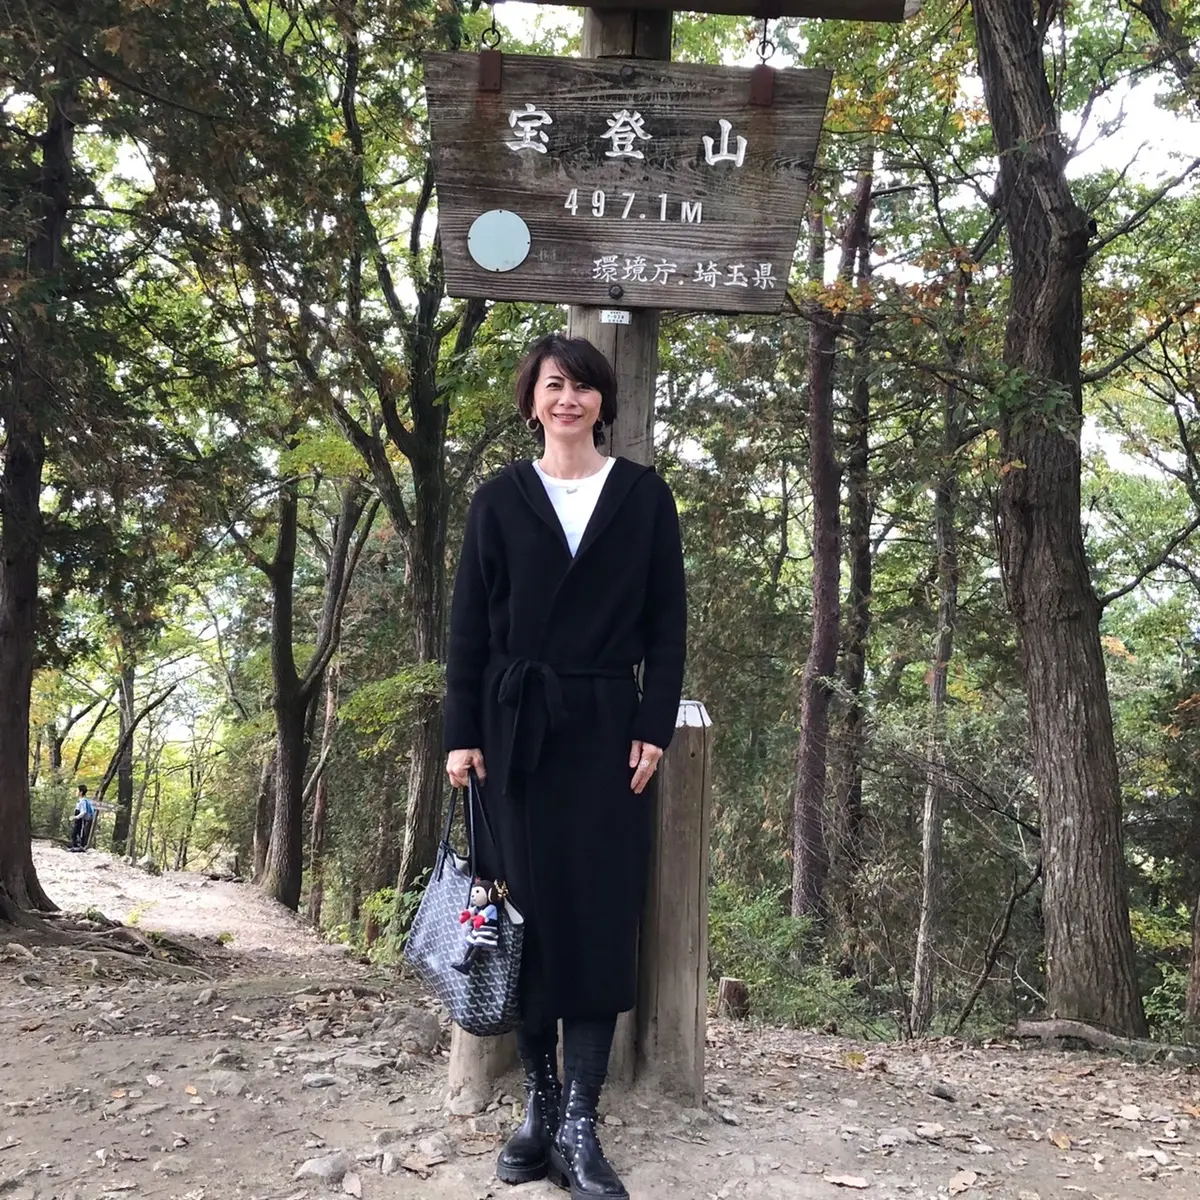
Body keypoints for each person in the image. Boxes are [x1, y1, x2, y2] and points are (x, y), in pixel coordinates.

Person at [444, 334, 687, 1200]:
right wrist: (460, 734)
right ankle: (538, 1108)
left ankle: (582, 1119)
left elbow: (667, 623)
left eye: (583, 387)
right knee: (529, 919)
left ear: (602, 401)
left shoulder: (643, 497)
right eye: (555, 386)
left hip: (606, 731)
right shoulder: (498, 501)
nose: (569, 400)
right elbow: (469, 629)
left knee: (597, 914)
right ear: (532, 399)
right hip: (516, 735)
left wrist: (653, 723)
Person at [69, 785, 95, 851]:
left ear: (81, 792)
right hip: (80, 818)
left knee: (75, 832)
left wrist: (76, 817)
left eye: (77, 790)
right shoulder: (82, 800)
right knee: (77, 831)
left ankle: (77, 847)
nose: (76, 792)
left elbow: (84, 811)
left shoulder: (82, 801)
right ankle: (78, 846)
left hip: (80, 818)